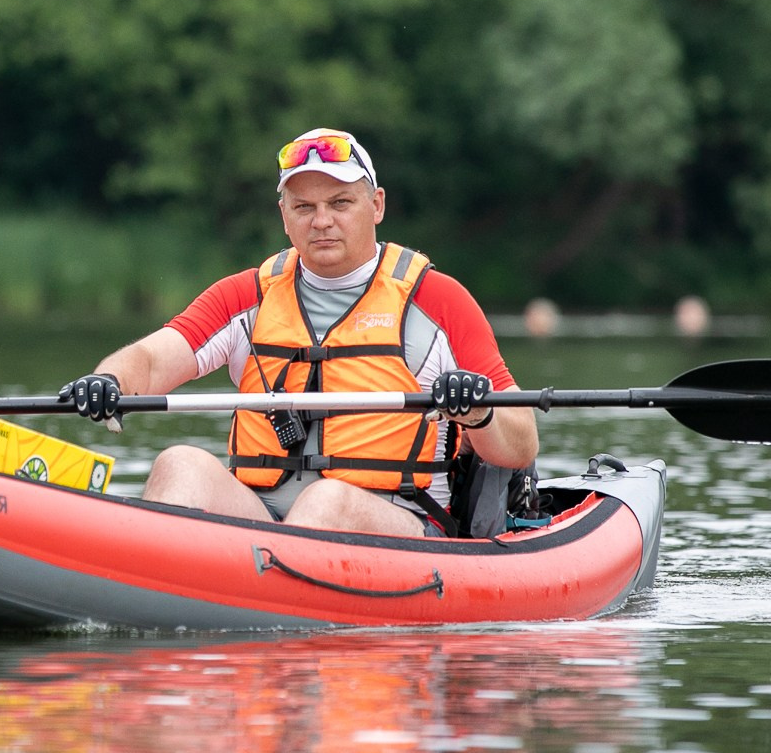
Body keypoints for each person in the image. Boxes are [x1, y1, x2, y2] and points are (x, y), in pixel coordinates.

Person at [58, 128, 537, 537]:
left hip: (400, 526)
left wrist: (478, 412)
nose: (322, 220)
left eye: (340, 203)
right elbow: (151, 358)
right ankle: (147, 594)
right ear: (284, 214)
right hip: (263, 519)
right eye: (304, 206)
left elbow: (522, 443)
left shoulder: (438, 300)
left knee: (327, 501)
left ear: (377, 205)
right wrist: (110, 382)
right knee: (179, 463)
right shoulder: (246, 295)